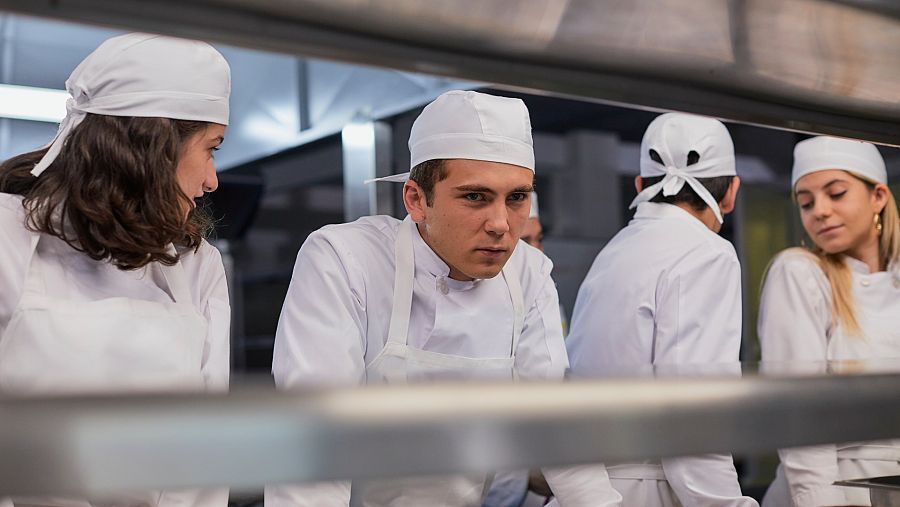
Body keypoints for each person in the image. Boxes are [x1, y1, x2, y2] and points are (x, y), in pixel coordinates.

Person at [267, 90, 621, 506]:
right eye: (476, 197)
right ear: (416, 200)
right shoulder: (346, 260)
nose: (500, 225)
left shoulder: (528, 272)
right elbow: (313, 440)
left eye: (517, 198)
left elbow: (560, 425)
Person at [0, 33, 231, 506]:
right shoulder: (8, 234)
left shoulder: (195, 262)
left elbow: (207, 457)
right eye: (212, 149)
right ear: (155, 145)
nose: (211, 180)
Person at [564, 113, 758, 507]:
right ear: (731, 192)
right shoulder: (708, 253)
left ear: (640, 185)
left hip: (588, 489)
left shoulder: (615, 248)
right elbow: (694, 421)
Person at [759, 136, 900, 507]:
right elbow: (800, 417)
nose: (818, 210)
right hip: (834, 490)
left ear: (878, 197)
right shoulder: (800, 273)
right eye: (805, 202)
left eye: (835, 193)